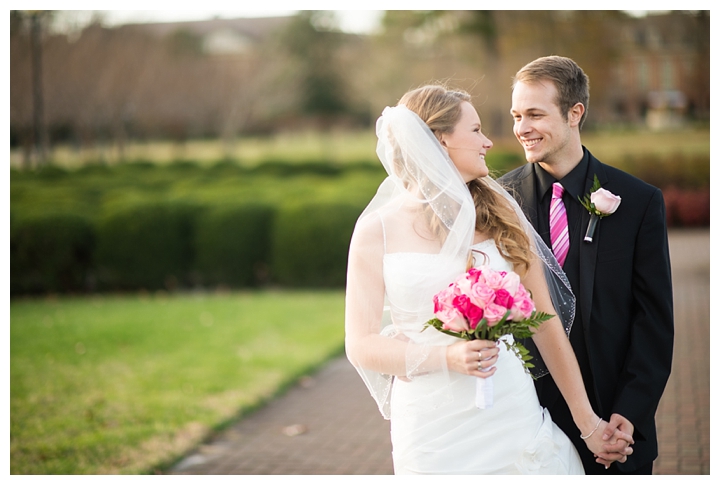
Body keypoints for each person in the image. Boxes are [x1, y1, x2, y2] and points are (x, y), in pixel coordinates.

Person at [344, 84, 632, 474]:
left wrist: (589, 425)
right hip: (431, 427)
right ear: (441, 139)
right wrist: (445, 356)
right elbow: (361, 345)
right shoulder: (376, 229)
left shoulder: (502, 216)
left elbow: (546, 326)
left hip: (509, 410)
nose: (489, 142)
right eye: (476, 130)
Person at [499, 56, 674, 474]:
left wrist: (629, 412)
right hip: (526, 424)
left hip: (614, 427)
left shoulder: (637, 201)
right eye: (516, 115)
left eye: (535, 114)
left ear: (575, 113)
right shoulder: (497, 202)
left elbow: (653, 320)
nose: (522, 128)